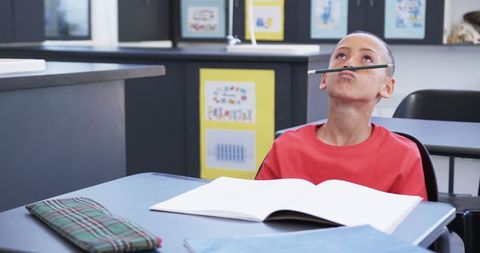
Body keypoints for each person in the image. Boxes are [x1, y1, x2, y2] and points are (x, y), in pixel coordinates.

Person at [255, 31, 428, 200]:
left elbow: (414, 226)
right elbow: (257, 212)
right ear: (324, 78)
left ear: (387, 87)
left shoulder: (403, 156)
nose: (349, 62)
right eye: (341, 56)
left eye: (367, 58)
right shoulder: (286, 147)